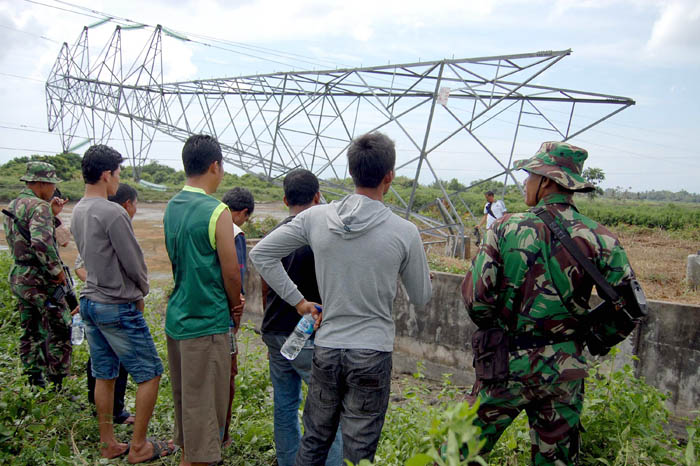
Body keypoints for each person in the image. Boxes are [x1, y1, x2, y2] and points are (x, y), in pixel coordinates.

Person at [250, 132, 432, 465]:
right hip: (373, 352)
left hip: (327, 348)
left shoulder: (316, 218)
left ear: (351, 172)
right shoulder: (404, 231)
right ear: (389, 177)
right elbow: (421, 296)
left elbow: (261, 254)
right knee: (358, 452)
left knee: (315, 441)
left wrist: (299, 301)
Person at [461, 141, 636, 465]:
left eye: (530, 175)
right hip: (565, 371)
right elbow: (629, 309)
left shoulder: (505, 228)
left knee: (456, 453)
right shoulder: (603, 239)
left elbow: (478, 303)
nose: (525, 183)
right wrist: (591, 340)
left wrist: (502, 326)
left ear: (547, 181)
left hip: (505, 366)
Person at [71, 145, 174, 462]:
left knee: (105, 374)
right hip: (116, 306)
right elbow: (134, 263)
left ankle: (109, 443)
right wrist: (142, 290)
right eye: (118, 173)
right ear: (106, 174)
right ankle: (139, 446)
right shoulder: (112, 211)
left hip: (90, 302)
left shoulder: (77, 210)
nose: (119, 180)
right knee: (150, 373)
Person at [163, 134, 242, 466]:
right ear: (215, 166)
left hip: (178, 317)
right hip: (206, 322)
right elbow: (231, 273)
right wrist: (236, 306)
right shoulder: (217, 211)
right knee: (207, 403)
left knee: (187, 399)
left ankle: (188, 453)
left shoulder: (172, 206)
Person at [259, 169, 343, 466]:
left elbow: (265, 285)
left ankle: (287, 461)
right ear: (318, 197)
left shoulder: (275, 235)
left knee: (284, 404)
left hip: (273, 330)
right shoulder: (322, 237)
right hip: (308, 333)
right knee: (327, 408)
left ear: (285, 200)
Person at [74, 183, 139, 426]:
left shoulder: (96, 220)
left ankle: (107, 412)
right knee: (115, 362)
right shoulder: (112, 223)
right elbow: (81, 266)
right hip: (111, 303)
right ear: (127, 205)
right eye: (135, 204)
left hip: (95, 302)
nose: (135, 210)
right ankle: (112, 412)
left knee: (104, 362)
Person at [2, 162, 71, 389]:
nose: (53, 190)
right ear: (41, 183)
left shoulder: (14, 204)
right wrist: (57, 271)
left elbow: (25, 237)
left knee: (30, 329)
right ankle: (57, 382)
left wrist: (52, 214)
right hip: (40, 279)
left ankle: (34, 381)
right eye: (51, 184)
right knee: (60, 328)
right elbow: (41, 243)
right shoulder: (39, 206)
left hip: (20, 275)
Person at [220, 186, 255, 446]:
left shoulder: (204, 222)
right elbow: (237, 280)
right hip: (223, 316)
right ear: (242, 213)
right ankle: (222, 435)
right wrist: (237, 320)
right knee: (226, 376)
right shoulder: (234, 233)